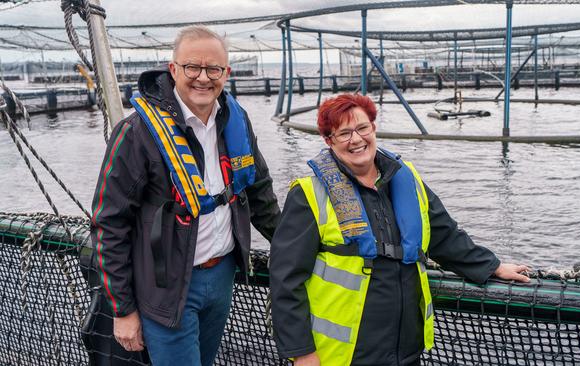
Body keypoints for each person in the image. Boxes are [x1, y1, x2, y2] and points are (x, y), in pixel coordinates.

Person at [269, 93, 529, 366]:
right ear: (328, 141)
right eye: (343, 133)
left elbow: (445, 236)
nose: (356, 140)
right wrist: (302, 352)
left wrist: (492, 266)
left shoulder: (409, 181)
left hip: (405, 350)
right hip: (344, 356)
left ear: (374, 128)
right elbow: (286, 277)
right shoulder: (310, 194)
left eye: (362, 128)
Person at [90, 25, 280, 366]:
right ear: (173, 68)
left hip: (222, 276)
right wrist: (123, 310)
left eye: (213, 69)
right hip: (166, 288)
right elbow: (109, 224)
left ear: (226, 73)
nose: (203, 78)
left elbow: (259, 190)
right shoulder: (135, 133)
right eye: (192, 67)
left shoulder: (235, 120)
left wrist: (292, 244)